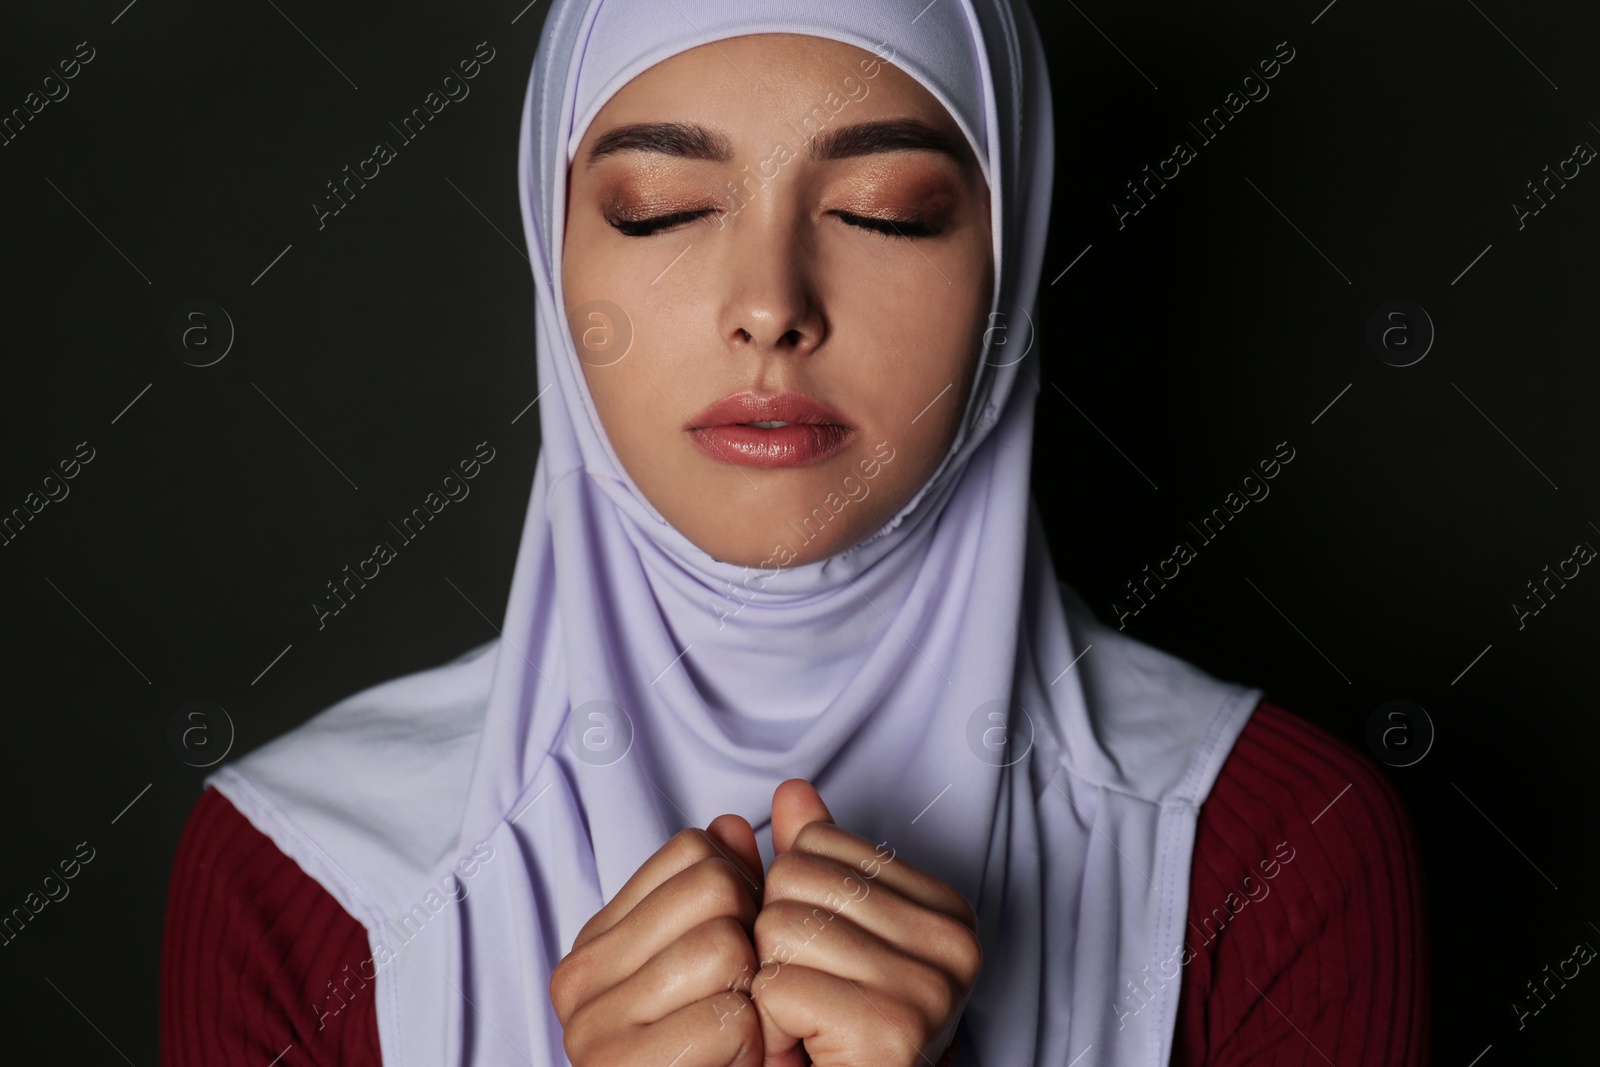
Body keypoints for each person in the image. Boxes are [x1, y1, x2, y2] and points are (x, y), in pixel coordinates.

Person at [161, 1, 1429, 1064]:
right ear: (555, 263)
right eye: (661, 208)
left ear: (1010, 253)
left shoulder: (1274, 855)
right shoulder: (304, 873)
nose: (769, 304)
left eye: (885, 211)